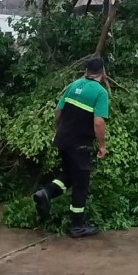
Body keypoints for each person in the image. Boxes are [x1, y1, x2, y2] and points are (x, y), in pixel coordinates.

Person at [32, 56, 109, 238]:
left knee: (68, 176)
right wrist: (102, 146)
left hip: (63, 140)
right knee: (81, 182)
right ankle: (77, 225)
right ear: (103, 72)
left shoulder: (74, 85)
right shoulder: (100, 93)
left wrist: (60, 128)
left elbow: (57, 112)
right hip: (80, 144)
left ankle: (46, 193)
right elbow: (98, 123)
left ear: (86, 70)